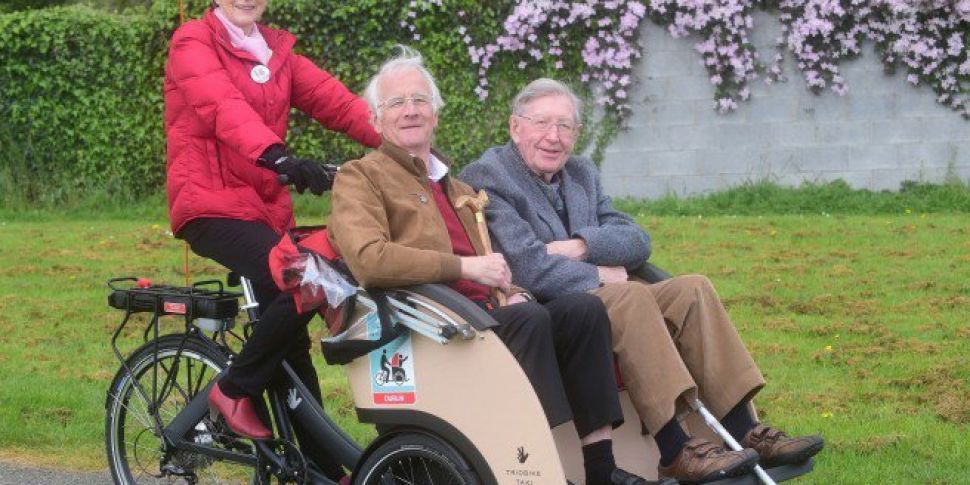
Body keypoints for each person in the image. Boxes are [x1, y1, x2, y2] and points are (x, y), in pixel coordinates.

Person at [328, 48, 672, 485]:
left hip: (485, 311)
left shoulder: (457, 185)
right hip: (434, 324)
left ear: (435, 115)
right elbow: (369, 260)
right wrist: (465, 268)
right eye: (396, 103)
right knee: (529, 320)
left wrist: (508, 286)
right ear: (376, 120)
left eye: (420, 101)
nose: (411, 110)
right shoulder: (360, 177)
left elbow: (496, 254)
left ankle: (600, 467)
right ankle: (536, 467)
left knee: (581, 311)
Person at [460, 78, 825, 483]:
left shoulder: (580, 172)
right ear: (515, 127)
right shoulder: (488, 176)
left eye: (566, 127)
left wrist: (580, 245)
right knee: (630, 296)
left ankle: (746, 431)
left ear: (577, 134)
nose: (553, 137)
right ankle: (675, 450)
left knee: (693, 289)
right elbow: (529, 267)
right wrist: (601, 271)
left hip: (604, 292)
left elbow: (636, 241)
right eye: (542, 123)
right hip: (554, 310)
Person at [164, 0, 380, 481]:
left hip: (263, 211)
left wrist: (403, 142)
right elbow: (223, 106)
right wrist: (277, 157)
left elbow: (338, 103)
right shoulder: (193, 42)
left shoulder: (276, 53)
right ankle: (234, 391)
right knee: (304, 278)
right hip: (209, 205)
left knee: (291, 336)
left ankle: (317, 468)